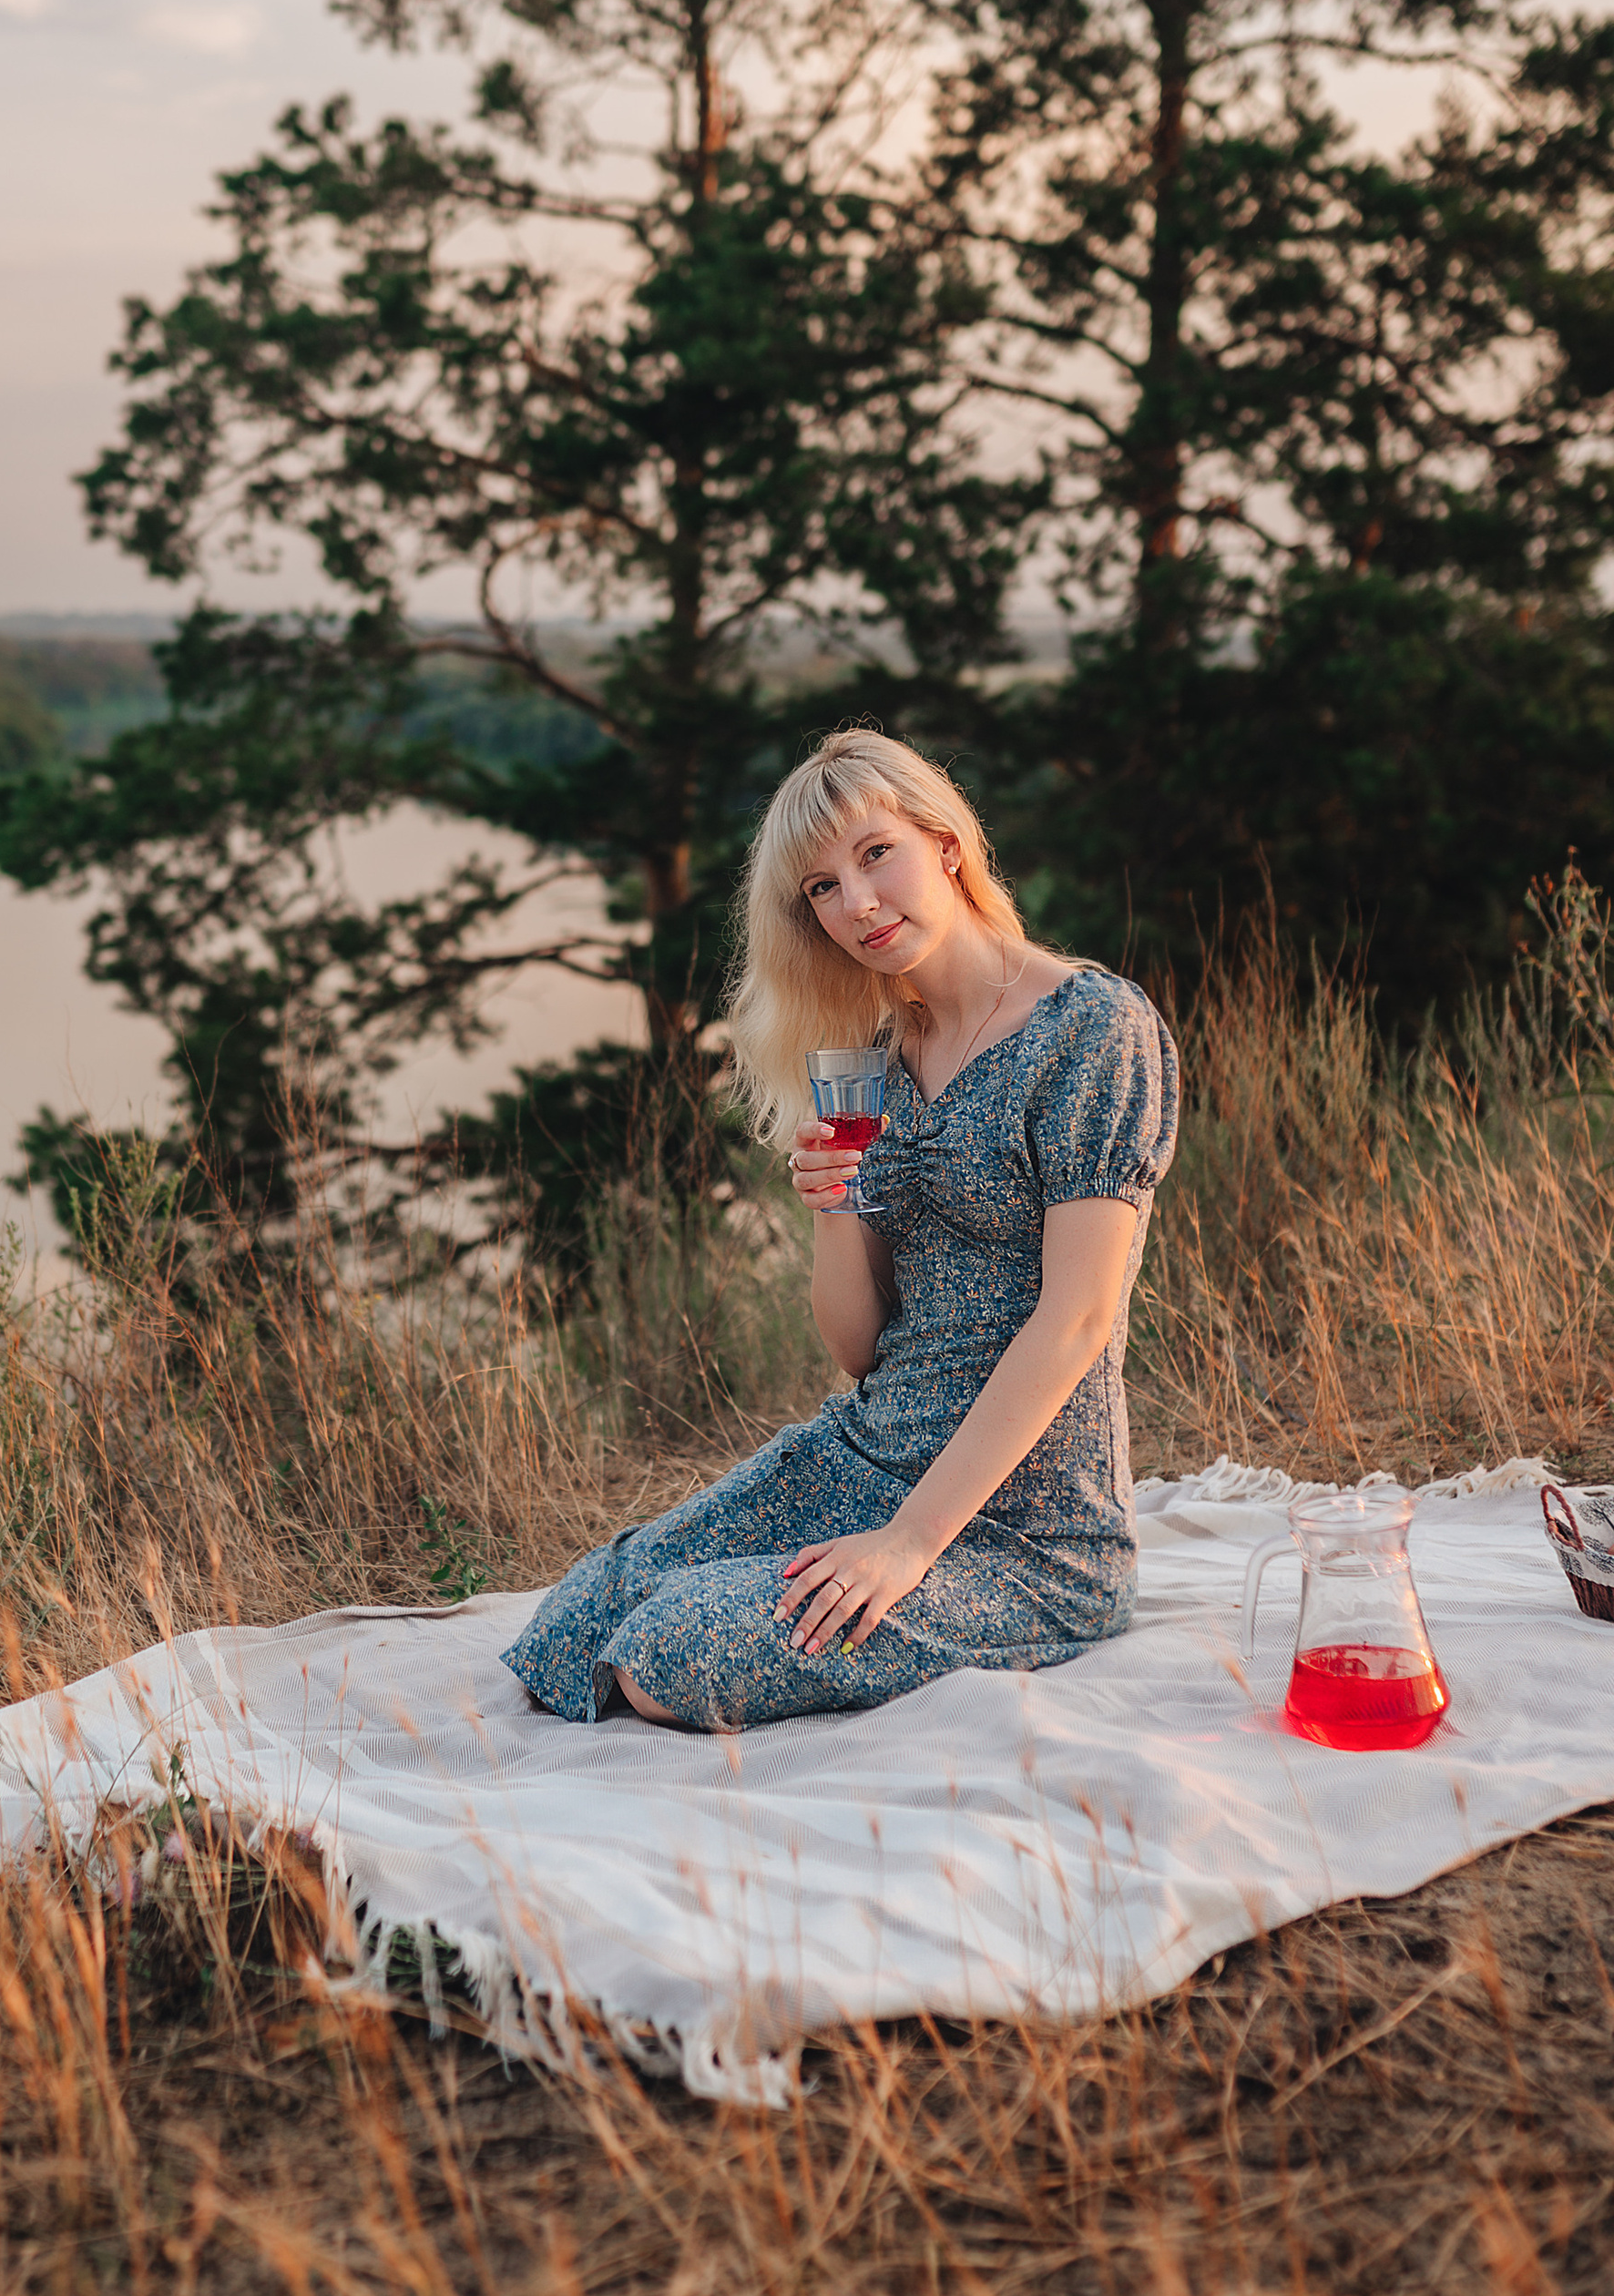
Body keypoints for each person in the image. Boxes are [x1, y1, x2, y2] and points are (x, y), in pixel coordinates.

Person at [503, 728, 1180, 1730]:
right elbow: (859, 1348)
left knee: (664, 1655)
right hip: (864, 1455)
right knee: (576, 1622)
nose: (855, 903)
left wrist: (907, 1542)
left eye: (874, 856)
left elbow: (1077, 1322)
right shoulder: (871, 1053)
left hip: (1023, 1528)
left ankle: (936, 1582)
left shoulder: (1091, 1029)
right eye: (820, 887)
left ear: (944, 843)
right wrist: (829, 1206)